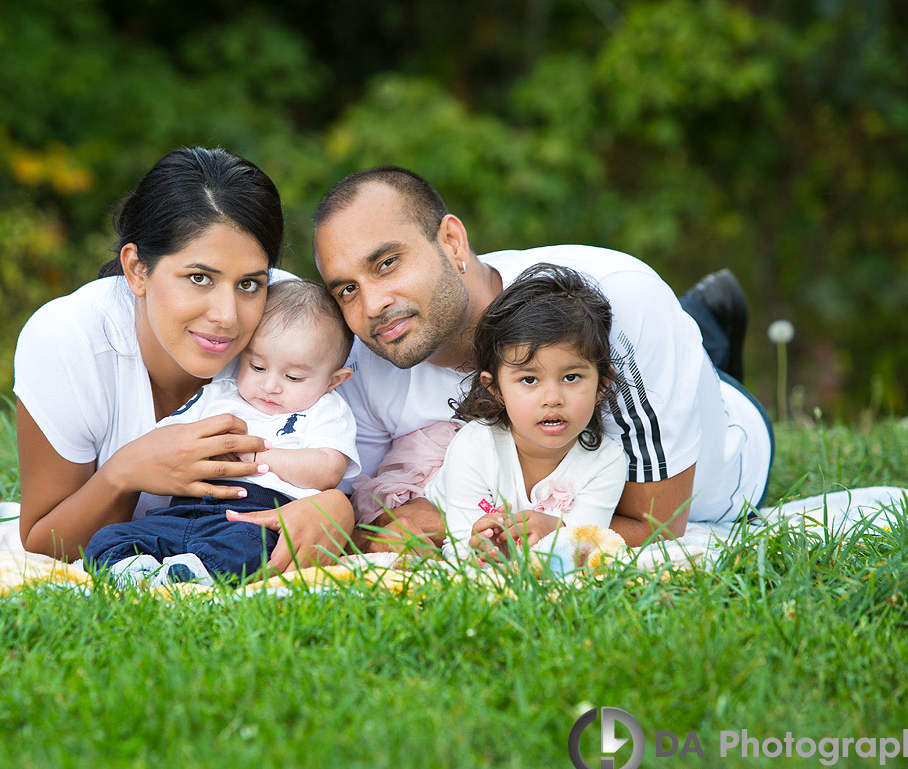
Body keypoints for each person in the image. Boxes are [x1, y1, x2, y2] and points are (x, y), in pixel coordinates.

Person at [312, 165, 773, 550]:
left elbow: (656, 526)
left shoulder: (621, 304)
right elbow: (370, 525)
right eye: (347, 289)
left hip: (730, 446)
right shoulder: (358, 360)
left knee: (684, 348)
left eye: (387, 263)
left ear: (452, 242)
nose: (372, 305)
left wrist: (448, 520)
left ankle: (704, 326)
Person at [14, 146, 353, 568]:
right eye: (199, 278)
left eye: (249, 283)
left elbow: (348, 452)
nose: (227, 317)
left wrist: (339, 507)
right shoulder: (69, 339)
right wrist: (124, 473)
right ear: (137, 269)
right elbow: (41, 544)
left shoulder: (286, 323)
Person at [82, 279, 360, 579]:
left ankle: (193, 573)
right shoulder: (219, 394)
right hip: (183, 510)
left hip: (254, 517)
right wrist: (205, 450)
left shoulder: (326, 410)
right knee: (107, 538)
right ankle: (137, 571)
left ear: (334, 380)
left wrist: (253, 458)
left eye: (293, 377)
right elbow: (168, 442)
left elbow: (328, 469)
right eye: (257, 367)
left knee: (250, 549)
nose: (270, 386)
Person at [424, 264, 627, 564]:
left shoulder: (606, 462)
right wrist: (483, 549)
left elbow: (586, 546)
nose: (553, 399)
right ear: (495, 389)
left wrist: (555, 532)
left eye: (571, 377)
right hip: (434, 508)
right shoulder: (475, 448)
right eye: (529, 380)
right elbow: (459, 546)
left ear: (602, 385)